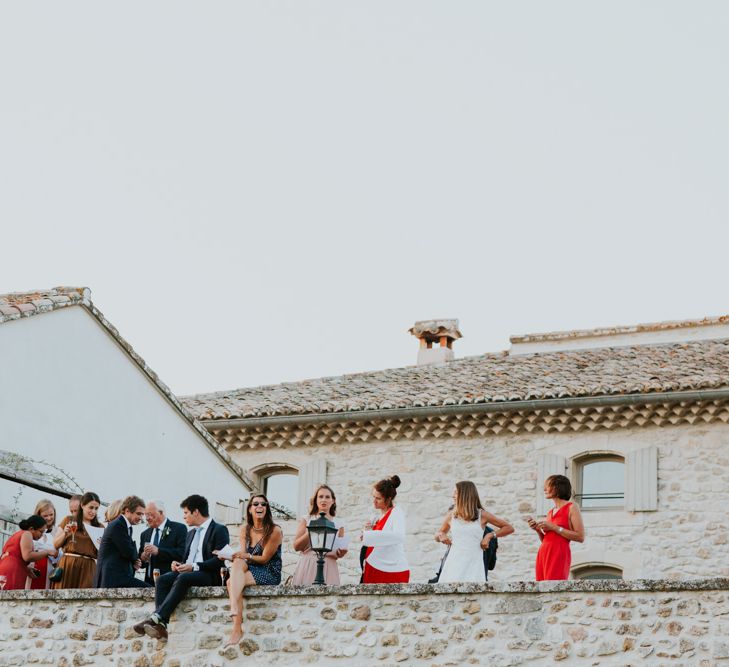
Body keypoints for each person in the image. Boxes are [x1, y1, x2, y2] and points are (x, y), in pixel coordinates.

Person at [132, 494, 229, 640]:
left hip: (208, 573)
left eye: (185, 513)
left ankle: (157, 618)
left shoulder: (219, 529)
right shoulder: (190, 533)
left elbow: (219, 561)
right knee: (163, 580)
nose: (184, 517)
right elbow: (184, 559)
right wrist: (177, 564)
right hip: (188, 572)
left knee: (184, 577)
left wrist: (194, 567)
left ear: (196, 512)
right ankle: (162, 625)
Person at [221, 494, 284, 646]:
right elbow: (243, 557)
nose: (259, 507)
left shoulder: (274, 530)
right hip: (250, 566)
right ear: (250, 509)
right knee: (237, 562)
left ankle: (236, 625)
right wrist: (230, 556)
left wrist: (245, 556)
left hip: (269, 570)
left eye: (263, 504)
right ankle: (235, 610)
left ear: (267, 509)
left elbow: (264, 559)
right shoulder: (245, 529)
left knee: (231, 583)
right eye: (255, 504)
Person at [434, 481, 514, 583]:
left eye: (456, 492)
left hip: (474, 562)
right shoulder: (451, 515)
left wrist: (490, 535)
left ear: (465, 494)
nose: (452, 496)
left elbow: (508, 528)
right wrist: (440, 534)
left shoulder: (483, 515)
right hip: (454, 562)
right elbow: (437, 535)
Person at [528, 474, 585, 581]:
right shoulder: (550, 512)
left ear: (558, 487)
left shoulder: (572, 507)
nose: (544, 489)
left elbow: (580, 536)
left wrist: (554, 527)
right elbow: (547, 539)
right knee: (541, 588)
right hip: (544, 553)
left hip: (558, 552)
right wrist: (537, 530)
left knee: (552, 586)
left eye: (548, 485)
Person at [292, 485, 347, 586]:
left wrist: (341, 552)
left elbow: (340, 548)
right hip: (308, 564)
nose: (324, 500)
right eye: (320, 497)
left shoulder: (339, 523)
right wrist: (312, 529)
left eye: (327, 497)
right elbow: (296, 546)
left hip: (329, 565)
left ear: (333, 500)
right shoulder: (307, 519)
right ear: (316, 500)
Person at [94, 495, 151, 589]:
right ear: (127, 511)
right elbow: (128, 551)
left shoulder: (126, 526)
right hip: (112, 578)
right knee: (150, 590)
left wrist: (134, 560)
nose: (141, 518)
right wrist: (136, 559)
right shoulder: (118, 525)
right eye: (138, 514)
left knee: (150, 590)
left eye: (142, 514)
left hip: (120, 576)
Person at [361, 475, 409, 584]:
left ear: (388, 499)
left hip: (389, 570)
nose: (374, 501)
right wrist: (368, 531)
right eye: (373, 497)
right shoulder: (377, 517)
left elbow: (399, 536)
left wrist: (369, 536)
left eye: (378, 498)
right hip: (373, 568)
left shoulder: (397, 512)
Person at [53, 492, 105, 589]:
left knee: (85, 600)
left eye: (96, 508)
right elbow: (55, 545)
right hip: (68, 564)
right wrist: (65, 533)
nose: (93, 511)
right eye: (91, 507)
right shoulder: (69, 520)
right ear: (82, 505)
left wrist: (101, 545)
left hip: (88, 567)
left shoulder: (100, 527)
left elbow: (102, 554)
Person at [0, 515, 56, 590]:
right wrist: (47, 552)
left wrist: (26, 569)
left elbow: (16, 556)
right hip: (12, 572)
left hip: (4, 569)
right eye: (41, 532)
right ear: (32, 529)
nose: (42, 535)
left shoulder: (17, 534)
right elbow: (27, 556)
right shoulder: (27, 534)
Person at [138, 499, 187, 585]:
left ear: (160, 513)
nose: (147, 518)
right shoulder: (145, 534)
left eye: (150, 514)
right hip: (149, 583)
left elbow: (182, 554)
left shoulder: (179, 528)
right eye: (146, 515)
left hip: (170, 581)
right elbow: (140, 562)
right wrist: (142, 557)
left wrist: (158, 551)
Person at [31, 499, 58, 589]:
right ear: (38, 515)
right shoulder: (31, 530)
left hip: (50, 569)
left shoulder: (57, 531)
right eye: (45, 516)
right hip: (33, 566)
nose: (49, 518)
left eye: (51, 514)